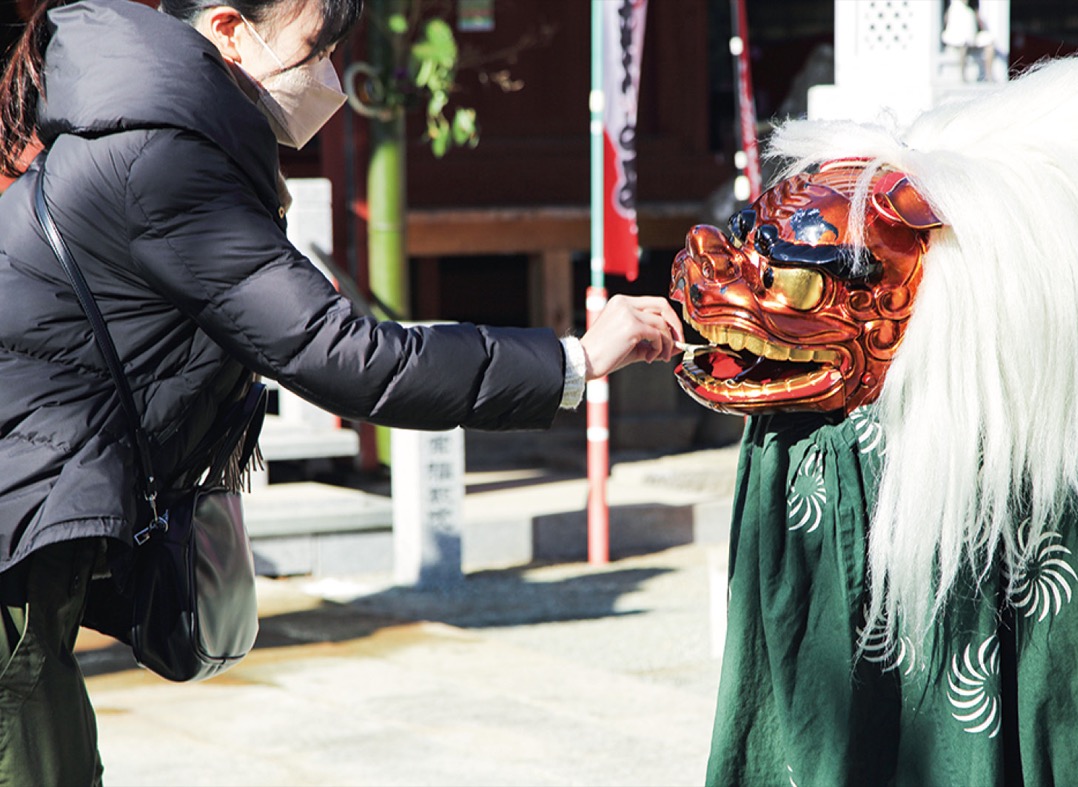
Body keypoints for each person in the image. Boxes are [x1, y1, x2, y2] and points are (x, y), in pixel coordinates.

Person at [0, 0, 683, 782]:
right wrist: (577, 360)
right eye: (315, 45)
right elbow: (345, 354)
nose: (328, 74)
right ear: (230, 29)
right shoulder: (163, 159)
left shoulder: (144, 128)